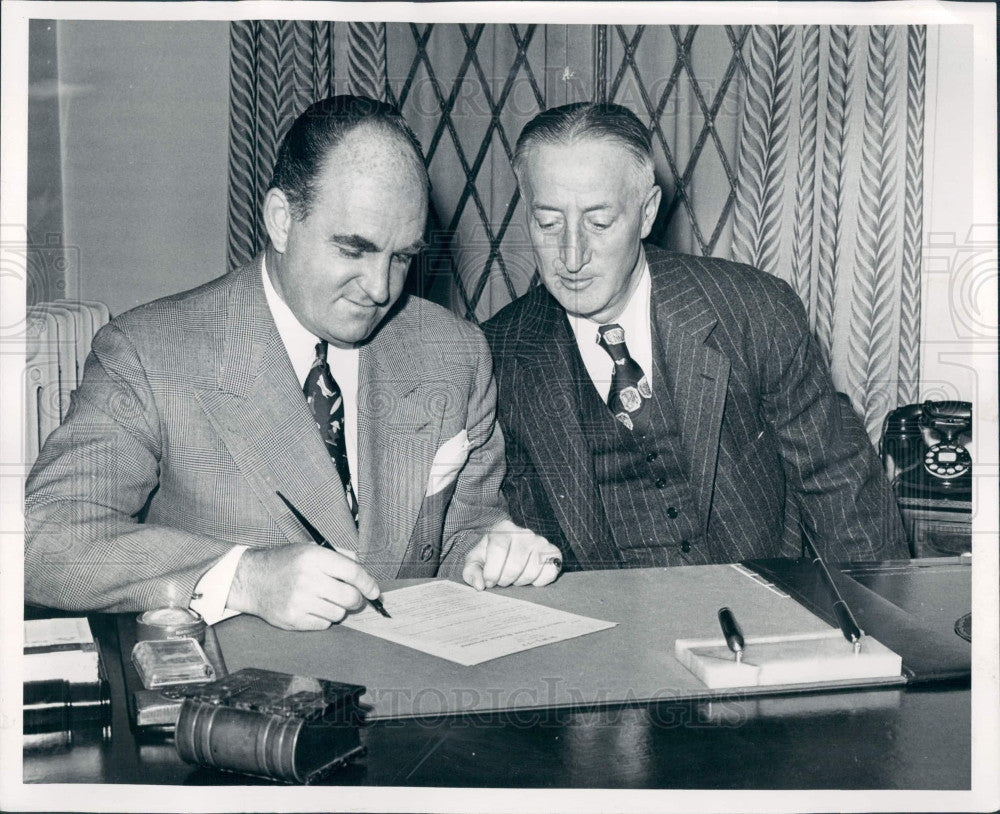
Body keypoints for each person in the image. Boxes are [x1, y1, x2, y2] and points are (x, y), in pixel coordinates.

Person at [25, 95, 561, 630]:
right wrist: (242, 577)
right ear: (281, 220)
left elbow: (465, 529)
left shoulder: (454, 352)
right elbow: (41, 540)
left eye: (401, 257)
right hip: (238, 705)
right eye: (354, 250)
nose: (380, 289)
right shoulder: (149, 352)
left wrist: (492, 554)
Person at [482, 102, 908, 570]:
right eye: (548, 223)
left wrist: (877, 627)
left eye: (599, 223)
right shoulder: (497, 355)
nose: (572, 254)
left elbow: (840, 486)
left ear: (646, 214)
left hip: (758, 610)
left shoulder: (752, 311)